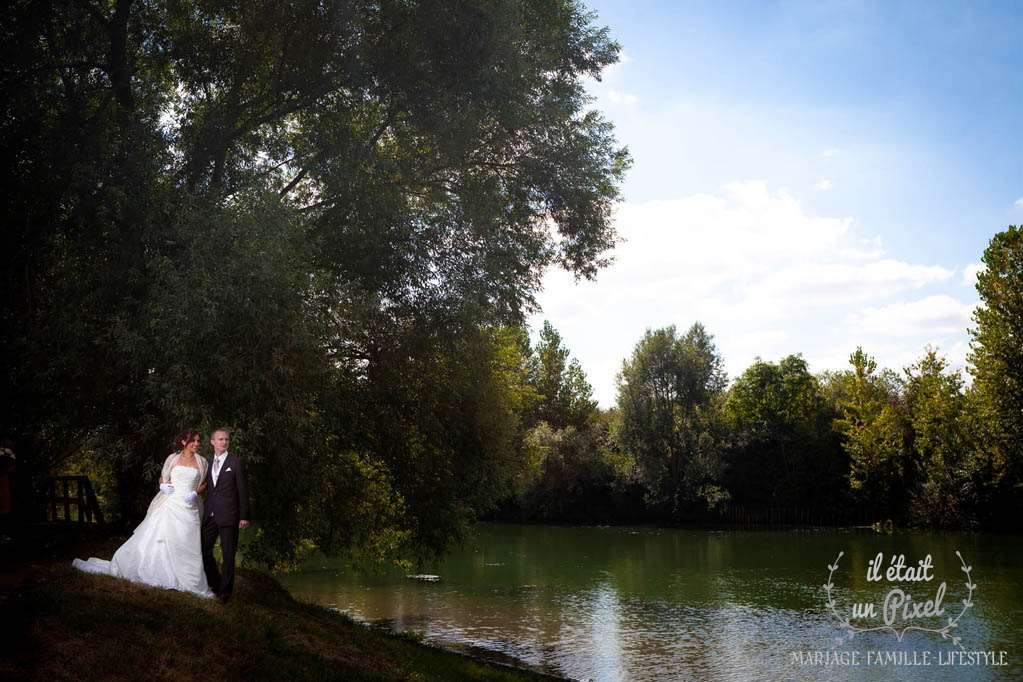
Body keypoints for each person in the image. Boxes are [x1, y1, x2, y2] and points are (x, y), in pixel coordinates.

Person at [73, 429, 214, 598]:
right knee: (158, 537)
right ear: (184, 442)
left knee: (185, 540)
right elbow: (163, 477)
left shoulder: (202, 462)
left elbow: (204, 483)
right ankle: (158, 570)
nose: (197, 444)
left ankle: (187, 576)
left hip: (188, 505)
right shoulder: (172, 458)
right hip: (170, 503)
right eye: (194, 441)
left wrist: (195, 493)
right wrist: (162, 486)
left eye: (198, 441)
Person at [201, 427, 249, 603]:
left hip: (229, 516)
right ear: (213, 442)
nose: (224, 442)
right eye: (220, 439)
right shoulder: (206, 463)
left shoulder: (235, 463)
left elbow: (243, 491)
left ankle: (225, 595)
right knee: (204, 551)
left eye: (227, 439)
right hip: (210, 515)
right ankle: (216, 585)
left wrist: (244, 516)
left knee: (228, 556)